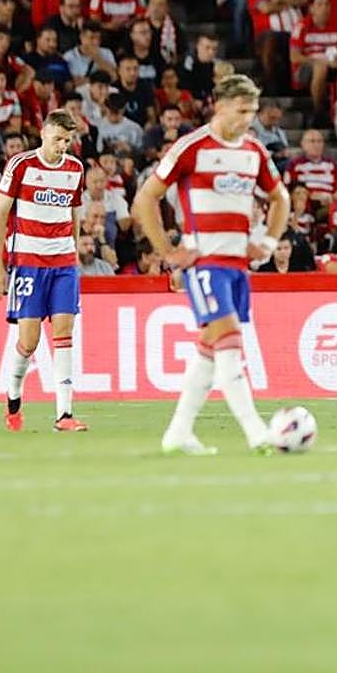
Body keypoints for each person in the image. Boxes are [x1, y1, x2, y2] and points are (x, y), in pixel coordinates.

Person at [132, 74, 291, 455]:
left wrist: (267, 241)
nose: (248, 119)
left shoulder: (254, 151)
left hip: (238, 267)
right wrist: (167, 253)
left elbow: (280, 198)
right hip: (205, 265)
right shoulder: (192, 147)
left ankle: (179, 432)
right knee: (230, 342)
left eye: (252, 112)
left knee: (210, 347)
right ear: (219, 105)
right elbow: (145, 198)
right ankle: (257, 433)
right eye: (241, 111)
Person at [0, 111, 87, 432]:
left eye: (67, 140)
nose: (62, 146)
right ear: (43, 133)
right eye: (58, 138)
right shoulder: (21, 165)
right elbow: (1, 215)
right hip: (28, 263)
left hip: (62, 263)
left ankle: (64, 414)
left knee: (63, 333)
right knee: (28, 343)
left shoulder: (75, 169)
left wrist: (73, 253)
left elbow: (73, 214)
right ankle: (13, 397)